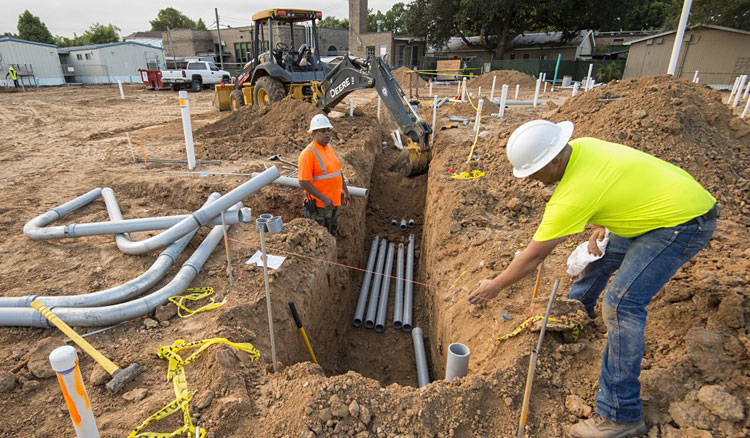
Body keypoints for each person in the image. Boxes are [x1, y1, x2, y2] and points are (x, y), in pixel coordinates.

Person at [468, 120, 717, 438]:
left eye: (534, 171)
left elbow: (533, 256)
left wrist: (494, 286)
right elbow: (618, 181)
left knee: (621, 304)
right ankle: (574, 315)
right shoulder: (582, 147)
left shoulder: (572, 196)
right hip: (661, 208)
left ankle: (620, 415)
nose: (530, 179)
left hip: (681, 223)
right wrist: (604, 222)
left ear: (555, 159)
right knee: (602, 253)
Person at [298, 114, 350, 236]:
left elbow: (338, 171)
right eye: (323, 131)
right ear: (314, 133)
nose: (327, 133)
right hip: (319, 207)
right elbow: (303, 181)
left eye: (328, 130)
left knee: (331, 235)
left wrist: (346, 191)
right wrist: (323, 198)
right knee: (320, 238)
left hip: (332, 203)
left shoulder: (330, 149)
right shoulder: (308, 154)